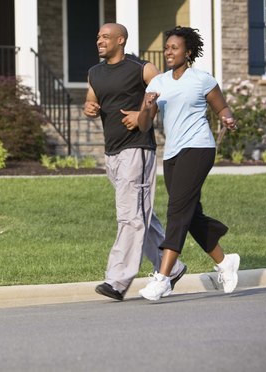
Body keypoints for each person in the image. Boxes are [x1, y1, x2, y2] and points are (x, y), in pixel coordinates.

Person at [84, 23, 187, 301]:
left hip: (137, 149)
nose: (99, 41)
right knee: (141, 214)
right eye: (98, 37)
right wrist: (89, 108)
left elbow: (164, 93)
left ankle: (118, 280)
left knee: (130, 216)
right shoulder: (95, 73)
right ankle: (173, 267)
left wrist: (143, 113)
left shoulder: (141, 68)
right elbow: (91, 100)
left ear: (121, 40)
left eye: (105, 37)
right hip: (113, 153)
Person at [137, 26, 240, 301]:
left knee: (177, 211)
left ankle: (164, 278)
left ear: (188, 51)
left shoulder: (202, 80)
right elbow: (143, 124)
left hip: (199, 148)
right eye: (167, 47)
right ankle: (224, 261)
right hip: (172, 154)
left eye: (174, 47)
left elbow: (222, 107)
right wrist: (147, 107)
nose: (169, 52)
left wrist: (228, 119)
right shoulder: (158, 83)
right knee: (189, 214)